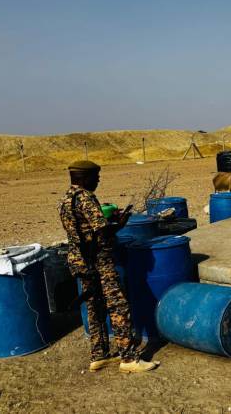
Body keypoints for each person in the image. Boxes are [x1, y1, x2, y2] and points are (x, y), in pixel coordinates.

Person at [58, 160, 158, 373]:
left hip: (80, 261)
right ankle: (129, 358)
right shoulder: (86, 198)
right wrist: (119, 224)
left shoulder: (66, 199)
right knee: (118, 305)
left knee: (94, 307)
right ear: (84, 178)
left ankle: (99, 355)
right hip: (98, 260)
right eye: (96, 176)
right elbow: (101, 232)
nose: (98, 180)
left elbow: (83, 229)